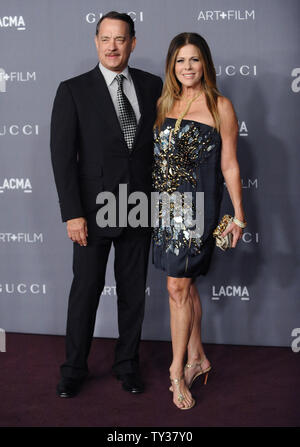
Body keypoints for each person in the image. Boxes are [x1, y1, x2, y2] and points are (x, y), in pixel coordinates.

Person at [50, 11, 162, 398]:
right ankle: (73, 369)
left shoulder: (153, 86)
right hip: (93, 211)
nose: (112, 46)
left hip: (140, 206)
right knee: (86, 291)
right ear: (96, 42)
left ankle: (127, 365)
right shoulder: (73, 90)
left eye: (120, 39)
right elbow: (63, 157)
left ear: (133, 42)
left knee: (134, 293)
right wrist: (72, 213)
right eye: (105, 38)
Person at [152, 32, 246, 410]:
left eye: (193, 60)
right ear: (171, 66)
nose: (187, 68)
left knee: (177, 288)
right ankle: (198, 359)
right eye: (180, 61)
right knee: (183, 289)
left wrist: (238, 216)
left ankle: (176, 372)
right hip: (164, 210)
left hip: (198, 212)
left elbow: (230, 164)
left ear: (204, 62)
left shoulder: (220, 105)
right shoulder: (164, 102)